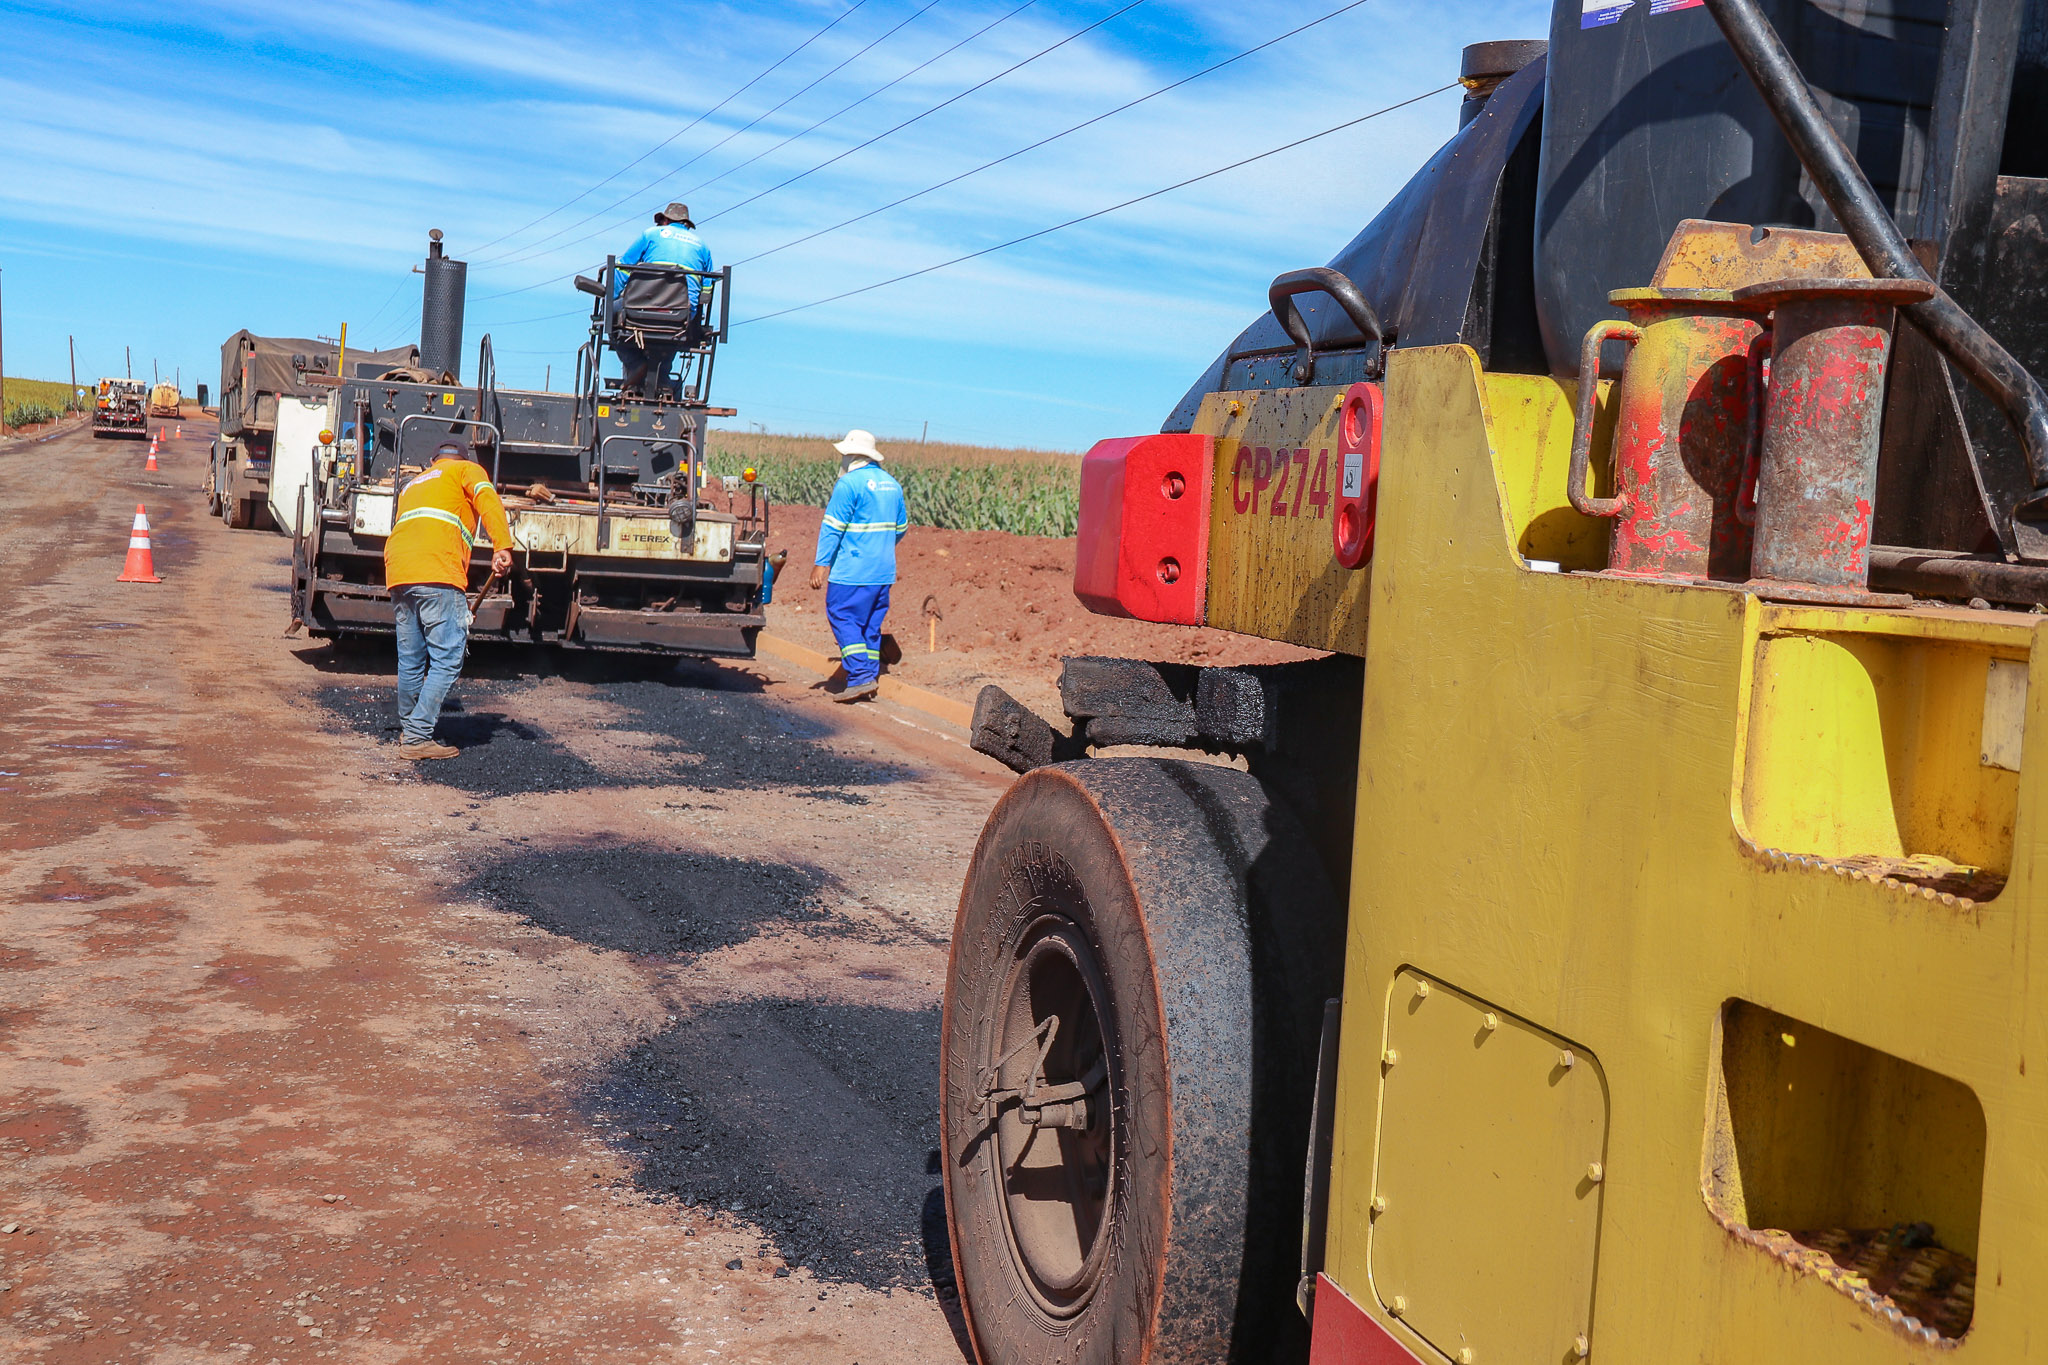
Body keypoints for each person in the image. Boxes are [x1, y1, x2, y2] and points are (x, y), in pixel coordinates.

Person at [383, 440, 513, 759]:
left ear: (434, 460)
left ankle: (409, 729)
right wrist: (502, 546)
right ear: (461, 459)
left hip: (399, 571)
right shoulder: (466, 470)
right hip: (437, 568)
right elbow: (488, 500)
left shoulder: (414, 483)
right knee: (447, 659)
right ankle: (417, 737)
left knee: (412, 659)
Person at [810, 430, 908, 703]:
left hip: (852, 570)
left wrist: (821, 563)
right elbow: (901, 529)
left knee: (842, 615)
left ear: (852, 455)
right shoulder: (893, 485)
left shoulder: (849, 484)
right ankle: (868, 676)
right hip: (883, 571)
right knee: (869, 626)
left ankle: (861, 676)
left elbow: (832, 527)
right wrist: (879, 548)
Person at [614, 202, 713, 397]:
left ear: (666, 220)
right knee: (676, 329)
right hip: (681, 313)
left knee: (609, 314)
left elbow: (623, 269)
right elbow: (706, 293)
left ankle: (635, 365)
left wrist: (613, 296)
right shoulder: (703, 246)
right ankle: (662, 377)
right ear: (686, 224)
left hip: (640, 308)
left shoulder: (650, 235)